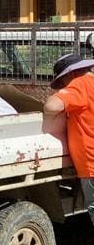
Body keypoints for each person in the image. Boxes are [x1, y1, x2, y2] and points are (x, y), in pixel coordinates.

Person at [43, 53, 94, 223]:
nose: (63, 86)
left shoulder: (79, 84)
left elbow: (51, 105)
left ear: (70, 74)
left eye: (63, 82)